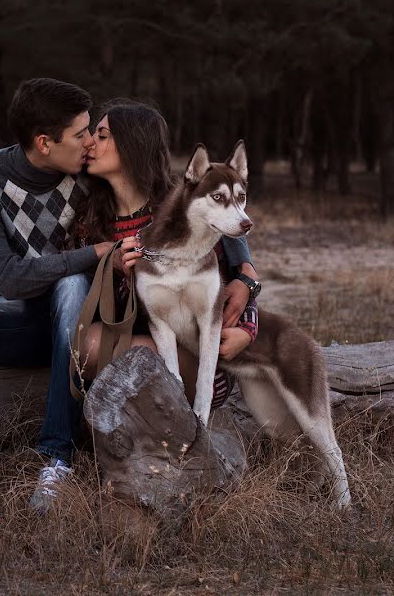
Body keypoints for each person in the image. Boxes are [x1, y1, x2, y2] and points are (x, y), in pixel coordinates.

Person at [0, 79, 117, 535]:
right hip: (24, 319)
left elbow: (185, 196)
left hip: (86, 328)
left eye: (92, 130)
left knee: (72, 286)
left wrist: (246, 276)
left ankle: (57, 461)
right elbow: (7, 277)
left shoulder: (93, 167)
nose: (91, 141)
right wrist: (94, 253)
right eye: (80, 133)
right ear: (44, 143)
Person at [74, 100, 260, 407]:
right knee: (90, 346)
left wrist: (248, 329)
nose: (91, 142)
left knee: (97, 347)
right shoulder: (91, 221)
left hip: (199, 360)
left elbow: (242, 276)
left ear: (133, 145)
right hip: (139, 339)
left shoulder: (185, 210)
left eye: (102, 135)